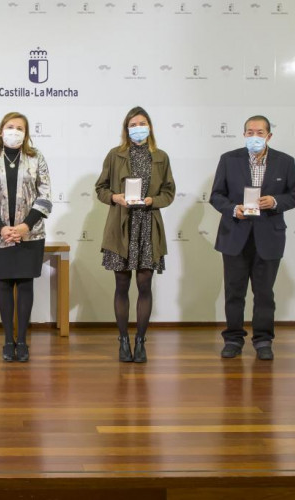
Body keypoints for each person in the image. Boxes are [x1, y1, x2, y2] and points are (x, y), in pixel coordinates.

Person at [209, 115, 295, 360]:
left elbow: (294, 196)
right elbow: (216, 196)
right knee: (234, 291)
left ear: (269, 136)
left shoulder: (285, 162)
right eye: (250, 132)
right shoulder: (229, 160)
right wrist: (232, 209)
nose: (254, 137)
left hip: (268, 236)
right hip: (235, 234)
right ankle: (233, 339)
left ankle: (263, 340)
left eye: (259, 133)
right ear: (244, 135)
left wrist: (276, 201)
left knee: (264, 293)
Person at [95, 106, 175, 363]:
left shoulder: (161, 156)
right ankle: (122, 340)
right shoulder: (115, 155)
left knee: (144, 285)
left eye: (142, 123)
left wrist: (153, 199)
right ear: (126, 129)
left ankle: (140, 341)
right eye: (133, 124)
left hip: (148, 226)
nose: (138, 127)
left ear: (149, 127)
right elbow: (101, 188)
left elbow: (169, 192)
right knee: (121, 285)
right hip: (122, 225)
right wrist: (115, 197)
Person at [0, 112, 52, 362]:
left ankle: (23, 342)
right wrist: (1, 227)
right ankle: (8, 340)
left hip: (29, 235)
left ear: (26, 134)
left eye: (20, 128)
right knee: (5, 284)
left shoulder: (36, 157)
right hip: (0, 235)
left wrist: (25, 226)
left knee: (26, 284)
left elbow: (45, 195)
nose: (14, 131)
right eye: (10, 127)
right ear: (1, 130)